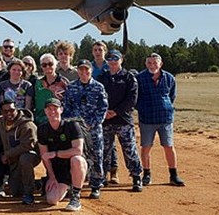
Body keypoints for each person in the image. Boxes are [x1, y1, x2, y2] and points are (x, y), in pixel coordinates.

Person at [97, 49, 144, 192]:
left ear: (121, 60)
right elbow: (97, 97)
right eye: (110, 59)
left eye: (115, 59)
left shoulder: (129, 77)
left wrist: (116, 111)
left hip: (123, 120)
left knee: (130, 150)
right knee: (104, 151)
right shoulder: (102, 78)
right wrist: (105, 112)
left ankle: (136, 177)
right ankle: (102, 177)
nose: (112, 62)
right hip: (105, 121)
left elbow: (132, 99)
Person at [136, 53, 185, 186]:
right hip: (147, 119)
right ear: (146, 64)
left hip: (165, 119)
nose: (152, 65)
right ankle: (146, 174)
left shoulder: (169, 78)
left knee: (169, 146)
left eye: (155, 63)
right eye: (149, 63)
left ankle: (173, 175)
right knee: (146, 147)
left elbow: (172, 96)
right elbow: (135, 98)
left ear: (160, 64)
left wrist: (166, 106)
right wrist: (143, 108)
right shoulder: (139, 78)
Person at [63, 59, 109, 198]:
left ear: (91, 70)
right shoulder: (71, 87)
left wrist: (92, 123)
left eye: (86, 69)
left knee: (96, 155)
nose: (84, 72)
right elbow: (66, 107)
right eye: (81, 69)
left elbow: (103, 108)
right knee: (76, 155)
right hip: (76, 129)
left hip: (93, 128)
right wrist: (72, 124)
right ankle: (74, 185)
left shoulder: (98, 87)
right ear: (77, 71)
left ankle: (96, 185)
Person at [37, 98, 87, 212]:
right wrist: (52, 177)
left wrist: (55, 154)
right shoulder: (42, 129)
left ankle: (75, 197)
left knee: (77, 159)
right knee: (51, 200)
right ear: (45, 111)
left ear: (61, 110)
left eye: (55, 108)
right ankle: (67, 187)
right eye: (49, 109)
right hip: (59, 170)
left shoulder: (72, 126)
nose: (52, 111)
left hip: (75, 166)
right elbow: (44, 156)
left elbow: (78, 151)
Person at [0, 99, 40, 204]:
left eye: (11, 110)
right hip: (12, 159)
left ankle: (29, 193)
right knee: (16, 192)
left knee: (25, 158)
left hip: (29, 155)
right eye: (5, 111)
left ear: (16, 109)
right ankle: (38, 184)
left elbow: (28, 145)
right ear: (1, 112)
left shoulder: (27, 125)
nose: (9, 113)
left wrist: (7, 154)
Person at [33, 53, 69, 126]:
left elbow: (70, 102)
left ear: (55, 65)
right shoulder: (37, 83)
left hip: (59, 122)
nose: (47, 67)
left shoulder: (64, 82)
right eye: (44, 65)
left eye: (50, 64)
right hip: (41, 122)